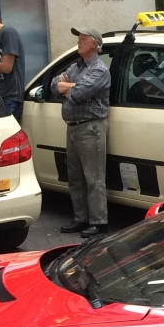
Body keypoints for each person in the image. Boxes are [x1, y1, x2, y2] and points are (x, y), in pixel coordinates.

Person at [55, 25, 110, 236]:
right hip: (73, 127)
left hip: (90, 127)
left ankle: (98, 221)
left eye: (83, 38)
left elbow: (80, 93)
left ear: (94, 43)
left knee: (93, 178)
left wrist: (69, 88)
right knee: (75, 177)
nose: (78, 41)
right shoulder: (76, 66)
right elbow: (54, 85)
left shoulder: (99, 70)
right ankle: (80, 218)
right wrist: (70, 87)